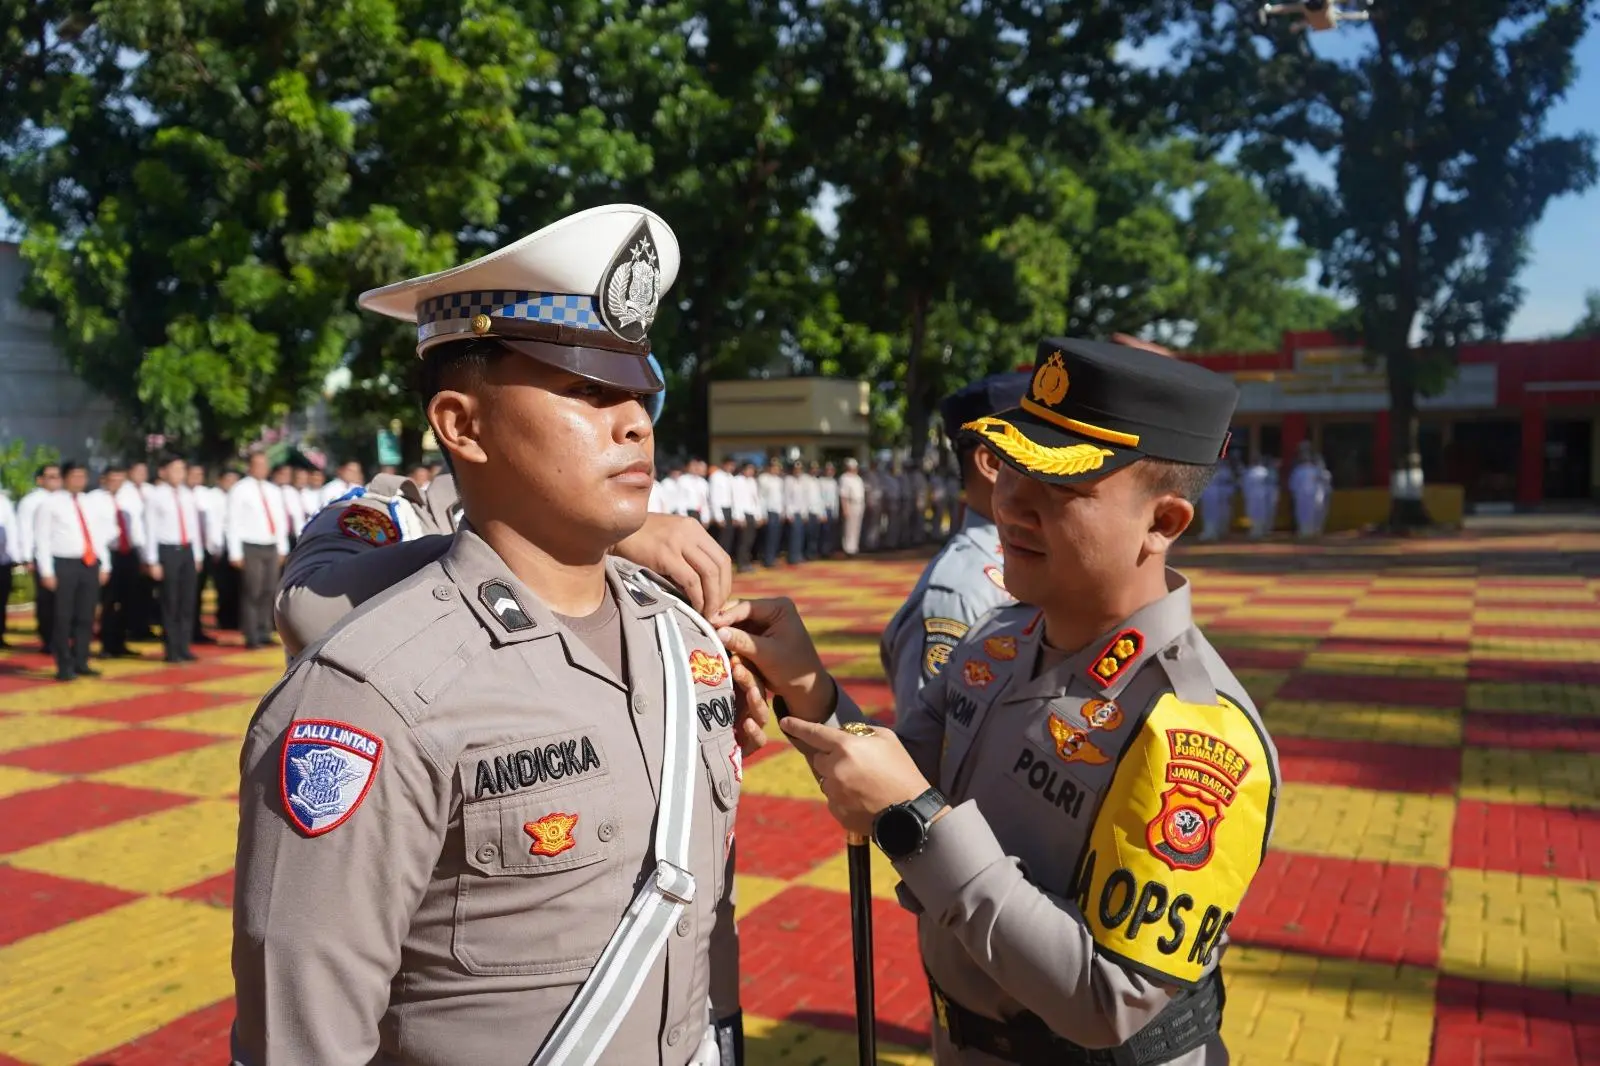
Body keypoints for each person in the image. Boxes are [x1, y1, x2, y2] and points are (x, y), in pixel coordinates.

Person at [234, 204, 763, 1066]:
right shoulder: (374, 694)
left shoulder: (682, 639)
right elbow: (304, 1040)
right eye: (588, 391)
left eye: (639, 390)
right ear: (462, 424)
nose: (635, 421)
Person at [716, 338, 1280, 1066]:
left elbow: (1107, 999)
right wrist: (810, 687)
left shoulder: (1194, 732)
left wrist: (919, 822)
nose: (1014, 502)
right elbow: (901, 775)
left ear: (1163, 523)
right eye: (1014, 465)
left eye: (1064, 487)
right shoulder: (1000, 638)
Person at [879, 373, 1026, 713]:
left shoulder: (1044, 562)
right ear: (992, 463)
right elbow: (926, 749)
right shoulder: (959, 590)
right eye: (1042, 451)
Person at [34, 461, 110, 681]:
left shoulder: (90, 503)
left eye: (82, 476)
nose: (79, 481)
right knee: (63, 616)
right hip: (64, 564)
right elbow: (42, 539)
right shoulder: (50, 504)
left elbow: (98, 535)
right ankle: (64, 664)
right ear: (64, 478)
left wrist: (104, 564)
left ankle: (81, 660)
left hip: (88, 563)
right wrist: (46, 571)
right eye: (75, 476)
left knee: (86, 615)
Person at [143, 454, 203, 664]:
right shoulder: (155, 496)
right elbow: (149, 529)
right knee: (170, 601)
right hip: (168, 551)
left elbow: (194, 527)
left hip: (187, 550)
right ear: (163, 471)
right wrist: (152, 560)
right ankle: (171, 648)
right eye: (175, 469)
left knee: (188, 601)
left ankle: (184, 645)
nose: (179, 474)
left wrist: (197, 555)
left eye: (182, 469)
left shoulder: (188, 494)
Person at [227, 451, 290, 648]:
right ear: (250, 467)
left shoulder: (273, 490)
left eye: (265, 464)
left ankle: (264, 631)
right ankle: (251, 635)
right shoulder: (240, 489)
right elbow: (232, 522)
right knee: (252, 591)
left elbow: (279, 520)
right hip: (251, 545)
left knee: (269, 590)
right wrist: (235, 552)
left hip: (270, 545)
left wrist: (282, 547)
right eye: (258, 464)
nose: (262, 468)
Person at [16, 464, 60, 652]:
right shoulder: (31, 501)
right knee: (46, 599)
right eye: (50, 477)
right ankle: (48, 637)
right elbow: (24, 530)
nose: (55, 480)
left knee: (63, 599)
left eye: (57, 476)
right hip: (40, 555)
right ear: (39, 480)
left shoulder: (64, 499)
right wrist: (26, 558)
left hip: (63, 554)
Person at [837, 458, 865, 556]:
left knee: (857, 527)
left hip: (859, 504)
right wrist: (845, 508)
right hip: (850, 504)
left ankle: (854, 547)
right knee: (849, 528)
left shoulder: (858, 478)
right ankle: (848, 549)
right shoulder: (844, 478)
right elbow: (843, 495)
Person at [0, 487, 16, 648]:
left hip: (3, 561)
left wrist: (16, 556)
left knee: (2, 600)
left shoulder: (4, 502)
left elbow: (12, 530)